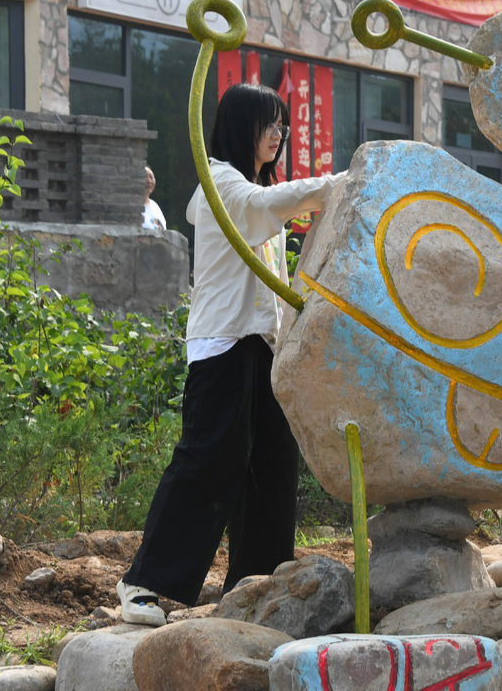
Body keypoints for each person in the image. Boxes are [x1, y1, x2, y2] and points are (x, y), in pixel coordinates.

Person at [116, 82, 345, 626]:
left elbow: (272, 267)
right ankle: (143, 582)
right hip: (223, 345)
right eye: (269, 123)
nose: (279, 134)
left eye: (282, 124)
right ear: (240, 127)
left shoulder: (250, 189)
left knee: (272, 463)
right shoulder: (221, 183)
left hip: (261, 345)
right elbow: (262, 205)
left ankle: (256, 583)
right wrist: (336, 185)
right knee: (211, 458)